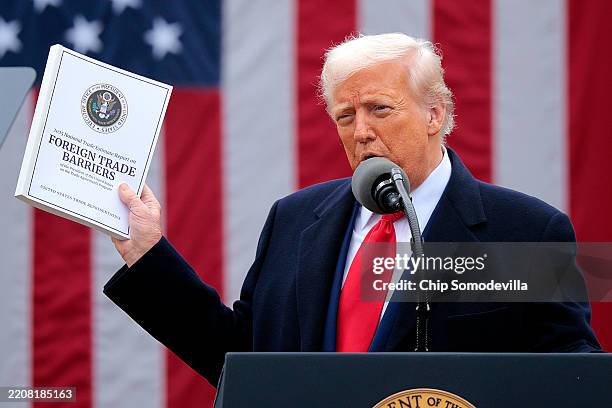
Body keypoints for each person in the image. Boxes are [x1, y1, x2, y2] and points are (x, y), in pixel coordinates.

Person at [104, 33, 601, 386]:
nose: (360, 131)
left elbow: (570, 377)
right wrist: (148, 255)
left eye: (379, 109)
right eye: (345, 115)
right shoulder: (294, 221)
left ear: (436, 113)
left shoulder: (524, 232)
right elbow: (240, 362)